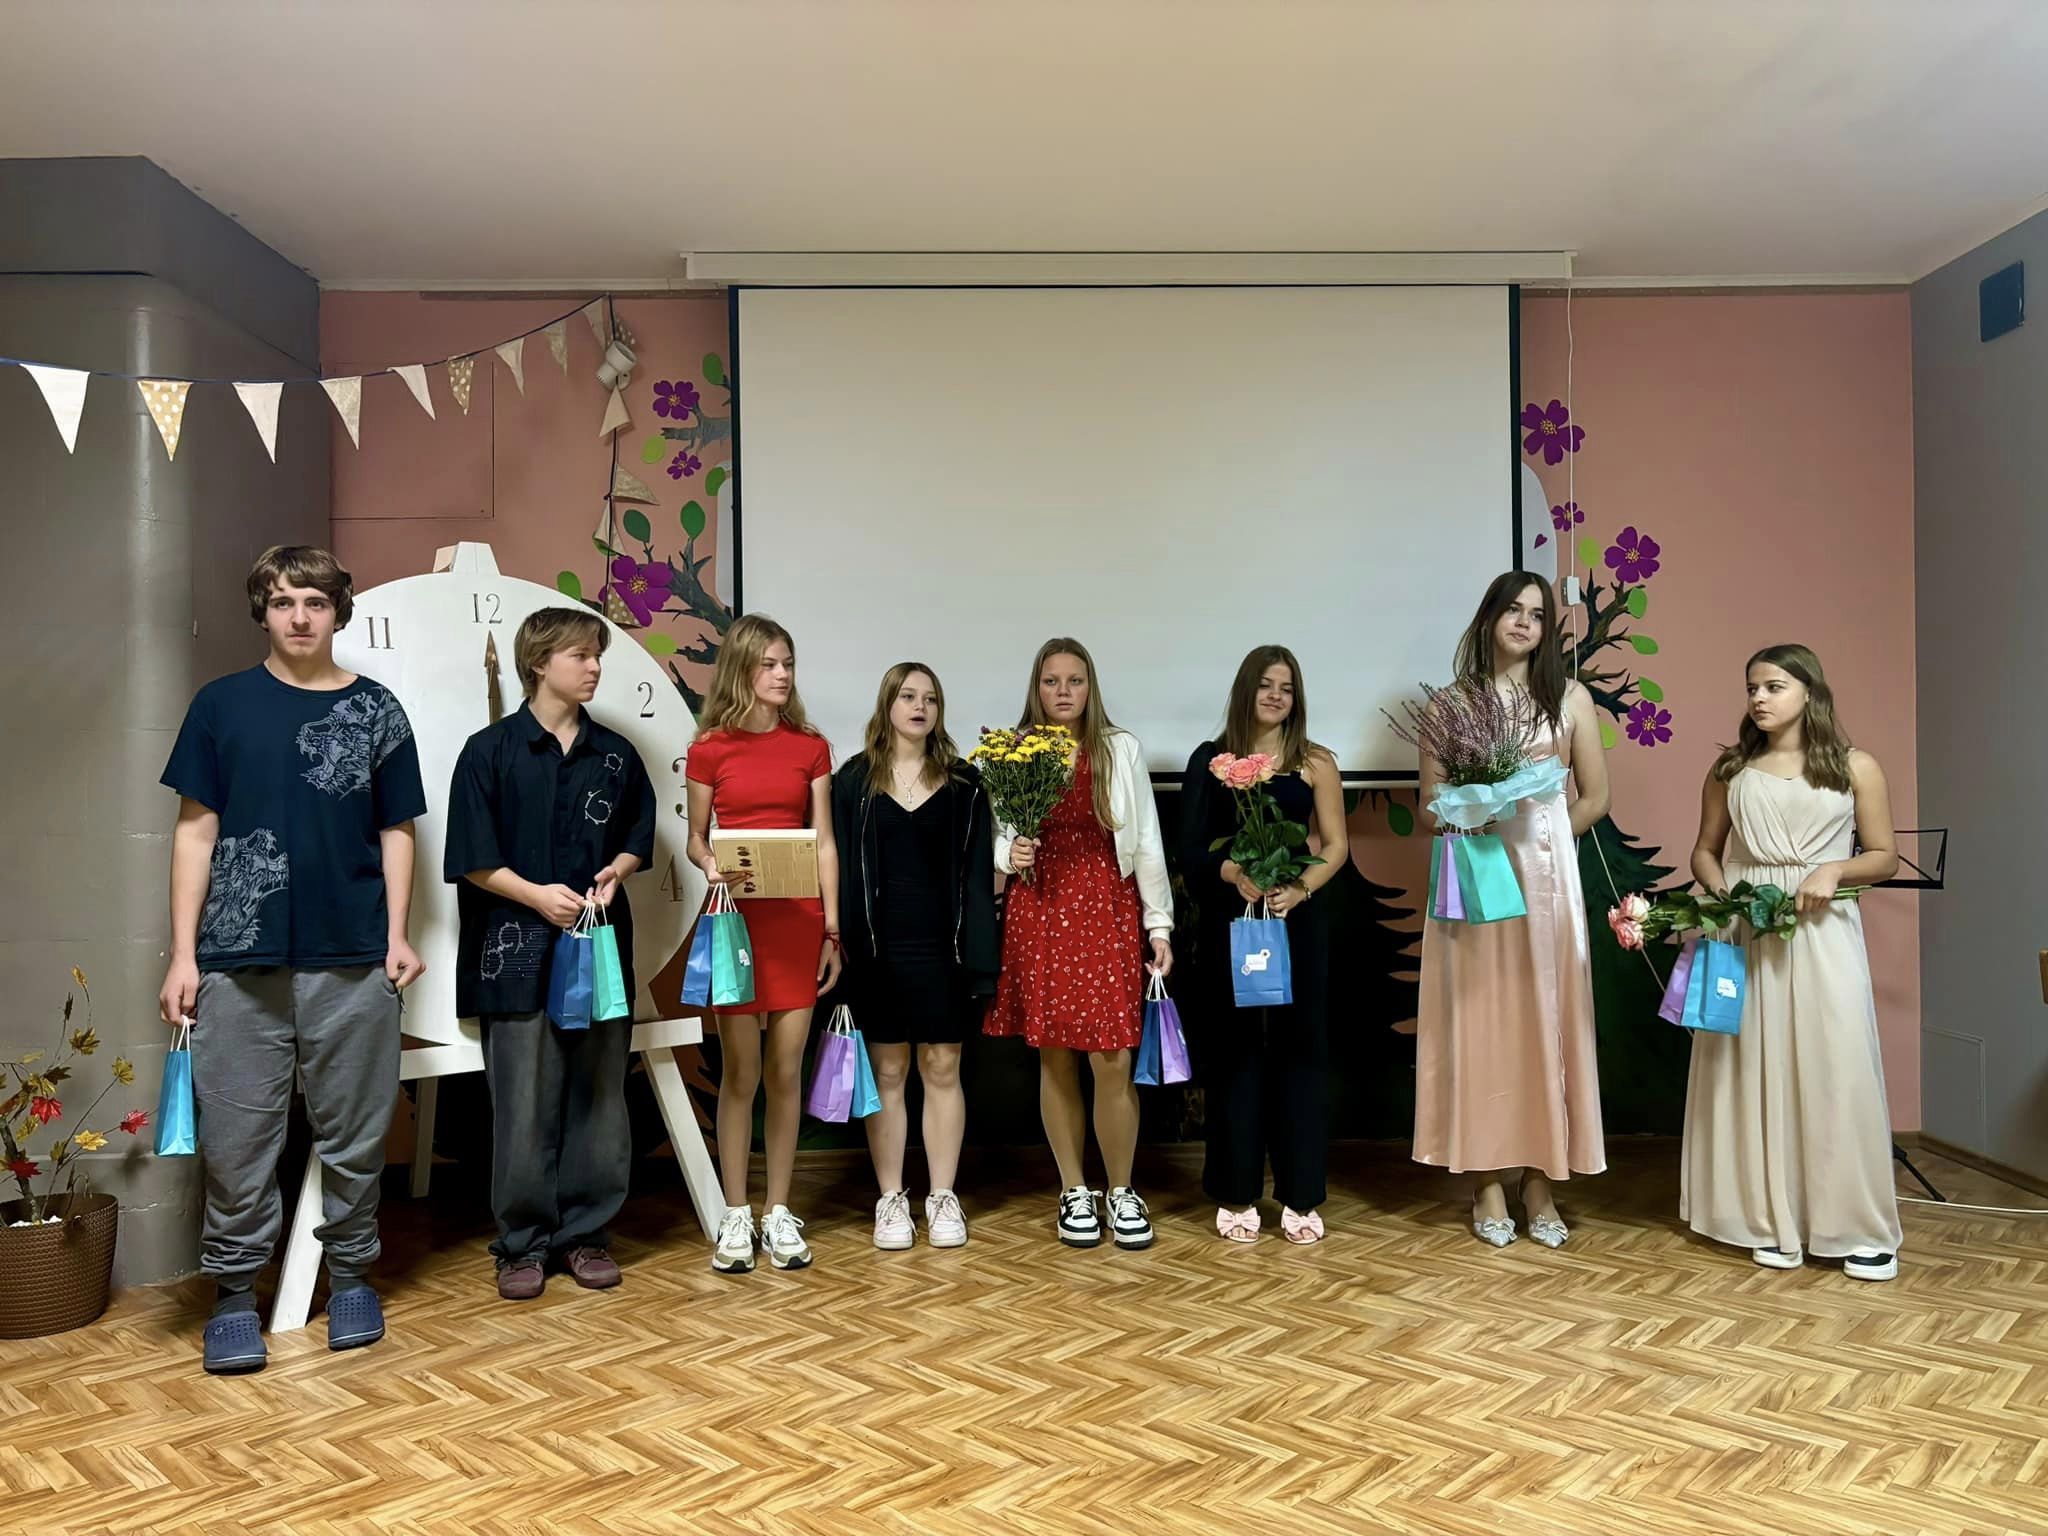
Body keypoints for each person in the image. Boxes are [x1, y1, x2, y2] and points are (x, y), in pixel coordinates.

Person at [157, 545, 427, 1374]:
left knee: (354, 1133)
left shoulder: (377, 709)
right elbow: (195, 832)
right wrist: (182, 955)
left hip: (354, 955)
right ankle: (235, 1295)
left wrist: (397, 935)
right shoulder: (220, 705)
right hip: (237, 958)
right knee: (239, 1139)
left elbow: (396, 829)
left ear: (338, 610)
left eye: (314, 601)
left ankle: (352, 1278)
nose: (300, 617)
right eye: (283, 602)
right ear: (263, 612)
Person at [444, 607, 656, 1300]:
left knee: (600, 1096)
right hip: (512, 957)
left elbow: (638, 834)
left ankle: (587, 1236)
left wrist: (618, 870)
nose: (594, 667)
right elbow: (471, 856)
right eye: (580, 655)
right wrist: (536, 897)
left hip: (599, 949)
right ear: (539, 662)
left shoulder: (618, 755)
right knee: (523, 1104)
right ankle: (522, 1246)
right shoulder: (488, 752)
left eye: (597, 656)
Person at [1681, 644, 1904, 1280]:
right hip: (1748, 929)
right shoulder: (1730, 770)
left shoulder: (1855, 767)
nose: (1758, 698)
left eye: (1774, 686)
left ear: (1810, 692)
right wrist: (1723, 895)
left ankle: (1858, 1227)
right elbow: (1704, 850)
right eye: (1752, 687)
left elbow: (1884, 857)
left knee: (1836, 1067)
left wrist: (1833, 868)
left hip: (1823, 931)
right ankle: (1767, 1220)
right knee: (1752, 1067)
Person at [1412, 572, 1609, 1247]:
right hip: (1477, 877)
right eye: (1513, 610)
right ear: (1489, 618)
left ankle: (1540, 1180)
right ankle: (1486, 1179)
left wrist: (1545, 842)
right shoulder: (1450, 704)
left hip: (1548, 887)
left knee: (1545, 1019)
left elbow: (1594, 797)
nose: (1524, 622)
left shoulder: (1571, 698)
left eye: (1537, 613)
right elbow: (1429, 806)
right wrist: (1476, 822)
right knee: (1481, 1019)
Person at [986, 637, 1173, 1249]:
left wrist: (1159, 924)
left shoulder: (1120, 748)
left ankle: (1121, 1190)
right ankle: (1073, 1190)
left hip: (1105, 906)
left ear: (1091, 688)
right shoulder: (1013, 751)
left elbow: (1146, 840)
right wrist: (1008, 854)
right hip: (1041, 906)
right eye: (1051, 681)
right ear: (1036, 688)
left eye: (1074, 680)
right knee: (1055, 1055)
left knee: (1112, 1058)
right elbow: (997, 837)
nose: (1063, 692)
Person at [685, 614, 843, 1273]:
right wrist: (710, 865)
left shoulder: (811, 746)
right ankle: (735, 1214)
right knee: (741, 1074)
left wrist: (832, 927)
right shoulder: (709, 749)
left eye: (788, 664)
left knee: (785, 1072)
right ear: (742, 669)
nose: (782, 675)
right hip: (734, 921)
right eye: (770, 664)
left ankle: (778, 1210)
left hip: (799, 923)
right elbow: (696, 839)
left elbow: (824, 841)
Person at [1178, 646, 1347, 1244]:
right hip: (1234, 923)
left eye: (1287, 687)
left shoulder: (1316, 761)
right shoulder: (1210, 761)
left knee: (1301, 1054)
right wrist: (1232, 873)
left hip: (1295, 922)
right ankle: (1236, 1191)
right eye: (1266, 685)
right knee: (1236, 1054)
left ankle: (1301, 1196)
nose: (1276, 696)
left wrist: (1300, 889)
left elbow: (1335, 845)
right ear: (1246, 690)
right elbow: (1190, 850)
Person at [831, 663, 1000, 1249]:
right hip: (877, 951)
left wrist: (979, 955)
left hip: (944, 950)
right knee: (889, 1072)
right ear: (888, 705)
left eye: (930, 698)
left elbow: (978, 875)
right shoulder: (852, 782)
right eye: (908, 696)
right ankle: (891, 1199)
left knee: (943, 1068)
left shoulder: (965, 783)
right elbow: (838, 867)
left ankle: (943, 1196)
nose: (919, 707)